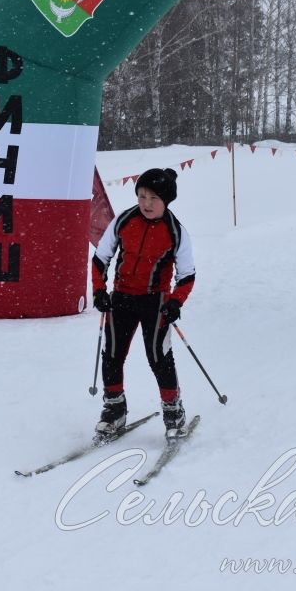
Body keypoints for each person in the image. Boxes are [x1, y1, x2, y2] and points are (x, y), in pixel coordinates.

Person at [90, 168, 196, 439]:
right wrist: (100, 290)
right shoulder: (124, 220)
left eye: (153, 198)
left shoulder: (175, 231)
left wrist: (175, 302)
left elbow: (187, 275)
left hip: (156, 302)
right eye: (142, 196)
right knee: (112, 355)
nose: (146, 203)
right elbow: (101, 258)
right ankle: (114, 410)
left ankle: (174, 411)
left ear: (166, 201)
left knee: (158, 356)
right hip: (121, 297)